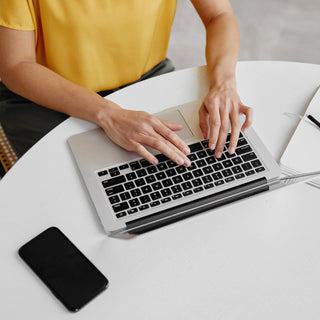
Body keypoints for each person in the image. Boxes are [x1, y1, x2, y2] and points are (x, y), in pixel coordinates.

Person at [0, 0, 252, 167]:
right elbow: (15, 65)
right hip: (44, 97)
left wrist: (223, 84)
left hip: (144, 77)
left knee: (193, 169)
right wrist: (109, 115)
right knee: (65, 202)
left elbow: (218, 14)